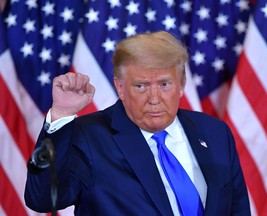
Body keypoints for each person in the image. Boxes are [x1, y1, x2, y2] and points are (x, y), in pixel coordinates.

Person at [25, 31, 251, 216]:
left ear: (181, 85)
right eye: (141, 86)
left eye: (164, 84)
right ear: (120, 88)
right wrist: (62, 114)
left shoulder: (214, 133)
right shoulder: (89, 136)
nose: (154, 98)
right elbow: (42, 199)